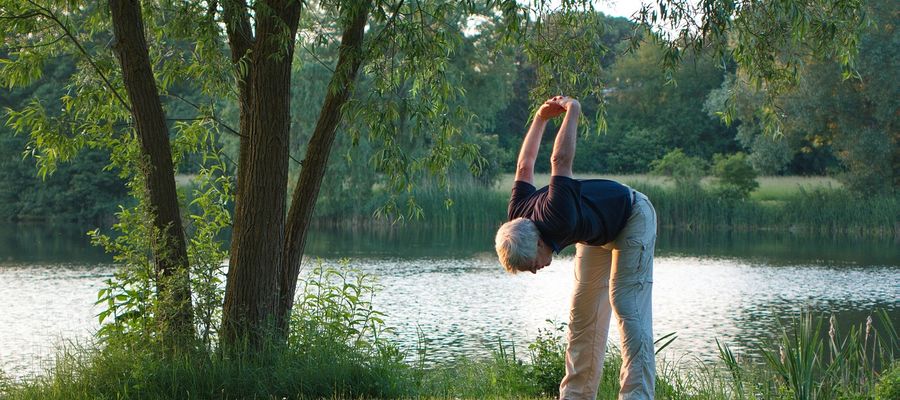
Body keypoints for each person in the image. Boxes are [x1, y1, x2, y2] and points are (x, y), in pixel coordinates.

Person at [494, 96, 658, 400]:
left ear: (539, 242)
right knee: (583, 315)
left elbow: (560, 161)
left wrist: (573, 111)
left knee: (626, 305)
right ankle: (575, 396)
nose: (536, 269)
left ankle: (637, 396)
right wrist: (540, 118)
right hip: (596, 233)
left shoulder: (557, 214)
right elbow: (524, 164)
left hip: (633, 215)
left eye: (532, 264)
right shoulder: (519, 214)